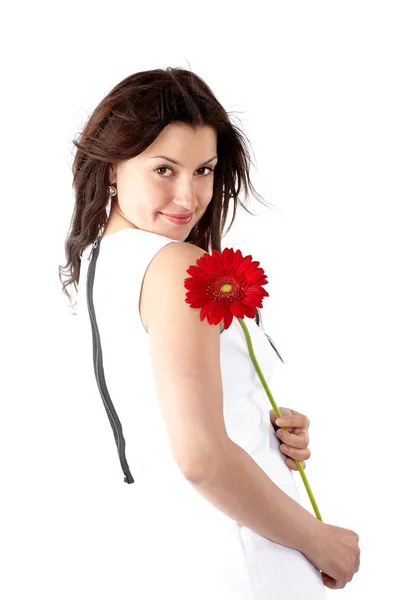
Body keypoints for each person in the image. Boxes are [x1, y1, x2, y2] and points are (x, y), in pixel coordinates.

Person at [59, 67, 360, 599]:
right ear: (111, 167)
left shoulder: (99, 268)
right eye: (163, 169)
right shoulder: (176, 265)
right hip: (247, 558)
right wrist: (320, 540)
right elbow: (199, 457)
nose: (188, 195)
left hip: (186, 553)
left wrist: (263, 430)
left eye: (204, 170)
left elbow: (162, 431)